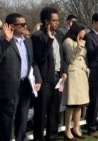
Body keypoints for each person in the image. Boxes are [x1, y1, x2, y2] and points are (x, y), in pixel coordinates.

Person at [0, 13, 42, 141]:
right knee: (7, 121)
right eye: (22, 24)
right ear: (11, 26)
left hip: (26, 85)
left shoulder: (28, 41)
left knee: (22, 119)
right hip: (9, 87)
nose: (26, 26)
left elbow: (33, 62)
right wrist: (7, 40)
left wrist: (38, 79)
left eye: (25, 23)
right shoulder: (0, 41)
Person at [31, 7, 68, 141]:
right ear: (46, 21)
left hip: (58, 78)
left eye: (58, 20)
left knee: (54, 111)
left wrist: (64, 71)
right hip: (44, 80)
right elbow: (39, 58)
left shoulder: (59, 34)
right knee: (41, 112)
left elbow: (62, 56)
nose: (57, 23)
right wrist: (49, 40)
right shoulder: (37, 36)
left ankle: (52, 137)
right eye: (54, 20)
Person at [62, 21, 89, 140]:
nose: (84, 32)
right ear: (77, 30)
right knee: (72, 104)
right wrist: (78, 46)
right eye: (82, 30)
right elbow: (69, 59)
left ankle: (76, 127)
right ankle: (67, 129)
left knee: (80, 104)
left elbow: (83, 58)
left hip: (82, 73)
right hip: (73, 74)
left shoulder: (83, 41)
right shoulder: (67, 41)